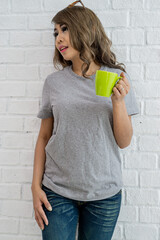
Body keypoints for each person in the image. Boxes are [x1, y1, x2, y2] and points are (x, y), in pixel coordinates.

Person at [31, 1, 139, 239]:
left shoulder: (116, 77)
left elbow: (124, 141)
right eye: (56, 32)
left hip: (104, 196)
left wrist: (118, 102)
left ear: (85, 30)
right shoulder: (54, 83)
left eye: (65, 29)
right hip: (56, 192)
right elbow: (44, 136)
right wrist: (35, 187)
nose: (58, 38)